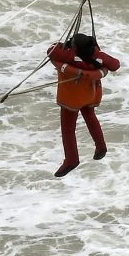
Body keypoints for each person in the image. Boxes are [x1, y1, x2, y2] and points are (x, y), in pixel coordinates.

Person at [47, 32, 121, 177]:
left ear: (75, 48)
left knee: (68, 130)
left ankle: (71, 159)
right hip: (90, 94)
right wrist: (96, 50)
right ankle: (101, 146)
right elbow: (115, 65)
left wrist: (65, 45)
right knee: (90, 116)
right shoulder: (97, 56)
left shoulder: (70, 56)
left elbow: (51, 50)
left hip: (72, 96)